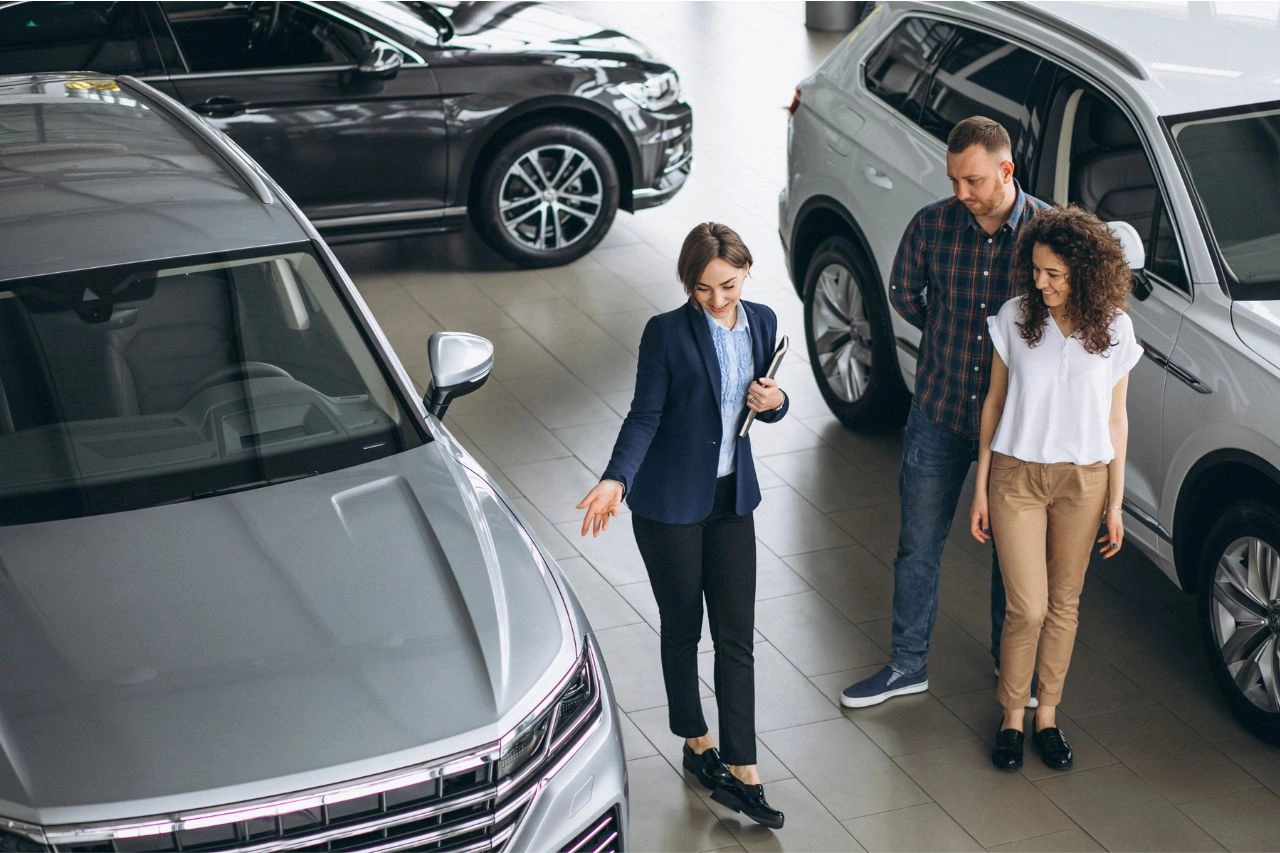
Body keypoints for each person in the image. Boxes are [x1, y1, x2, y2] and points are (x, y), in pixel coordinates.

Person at [576, 222, 788, 829]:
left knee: (737, 634)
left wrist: (775, 405)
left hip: (731, 499)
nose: (717, 300)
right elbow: (645, 414)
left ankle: (744, 768)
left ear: (745, 270)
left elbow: (768, 404)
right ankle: (696, 742)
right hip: (669, 503)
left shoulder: (765, 322)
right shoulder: (665, 334)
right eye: (702, 289)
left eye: (726, 284)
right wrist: (616, 479)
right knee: (682, 627)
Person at [841, 117, 1048, 709]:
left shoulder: (1046, 234)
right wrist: (950, 334)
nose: (962, 193)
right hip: (939, 410)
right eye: (954, 178)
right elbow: (904, 293)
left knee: (1009, 554)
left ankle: (1008, 666)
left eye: (974, 180)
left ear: (1007, 170)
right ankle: (907, 665)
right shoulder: (933, 224)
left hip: (1014, 427)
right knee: (918, 544)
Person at [970, 206, 1141, 771]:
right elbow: (994, 404)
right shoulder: (1016, 316)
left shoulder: (1115, 328)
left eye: (1055, 275)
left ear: (1085, 274)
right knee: (1029, 606)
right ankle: (1012, 716)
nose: (1040, 283)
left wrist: (1116, 504)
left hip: (1084, 481)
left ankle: (1048, 717)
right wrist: (980, 486)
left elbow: (1117, 419)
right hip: (1016, 476)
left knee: (1064, 605)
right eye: (1037, 271)